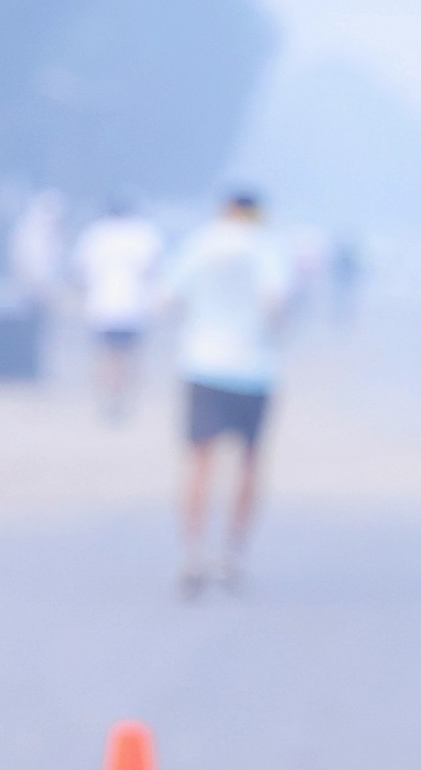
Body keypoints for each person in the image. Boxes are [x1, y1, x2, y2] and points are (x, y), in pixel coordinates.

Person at [154, 187, 296, 595]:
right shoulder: (268, 246)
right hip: (254, 367)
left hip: (203, 363)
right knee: (249, 462)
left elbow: (167, 298)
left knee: (200, 462)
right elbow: (276, 303)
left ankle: (192, 553)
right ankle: (232, 554)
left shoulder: (200, 242)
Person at [70, 194, 166, 423]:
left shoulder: (95, 233)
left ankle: (109, 400)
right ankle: (125, 400)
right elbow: (154, 269)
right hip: (134, 306)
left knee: (107, 356)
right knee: (131, 356)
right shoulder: (144, 233)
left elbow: (79, 271)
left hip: (103, 306)